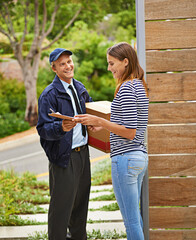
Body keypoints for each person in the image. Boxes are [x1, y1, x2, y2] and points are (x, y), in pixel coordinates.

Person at [74, 42, 149, 240]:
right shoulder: (139, 85)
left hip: (125, 159)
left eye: (112, 63)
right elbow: (130, 123)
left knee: (130, 221)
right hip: (138, 157)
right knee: (135, 218)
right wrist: (103, 125)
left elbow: (130, 132)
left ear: (125, 62)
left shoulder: (125, 88)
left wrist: (100, 120)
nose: (109, 68)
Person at [36, 48, 93, 240]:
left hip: (83, 155)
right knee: (61, 210)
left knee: (80, 208)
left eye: (69, 61)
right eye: (62, 64)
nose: (68, 66)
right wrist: (61, 127)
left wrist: (93, 124)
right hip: (63, 158)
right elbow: (43, 129)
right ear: (54, 68)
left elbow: (90, 112)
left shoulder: (79, 88)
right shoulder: (49, 95)